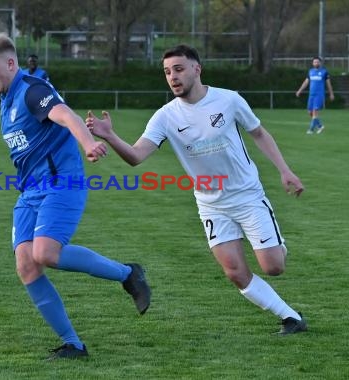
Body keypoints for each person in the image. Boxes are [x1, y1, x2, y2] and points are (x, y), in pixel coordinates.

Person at [86, 44, 307, 335]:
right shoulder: (166, 116)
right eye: (167, 72)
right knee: (235, 272)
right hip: (210, 203)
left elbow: (259, 133)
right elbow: (136, 156)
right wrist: (110, 136)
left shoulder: (228, 100)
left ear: (196, 69)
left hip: (247, 194)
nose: (172, 77)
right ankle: (291, 318)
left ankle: (275, 243)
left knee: (273, 267)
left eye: (178, 69)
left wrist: (284, 170)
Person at [0, 33, 151, 360]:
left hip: (61, 183)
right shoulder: (7, 99)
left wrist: (87, 143)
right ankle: (74, 344)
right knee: (26, 265)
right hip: (30, 191)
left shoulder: (32, 90)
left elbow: (66, 115)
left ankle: (128, 274)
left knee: (46, 253)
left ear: (10, 64)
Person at [295, 56, 334, 134]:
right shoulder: (310, 72)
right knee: (310, 112)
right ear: (312, 63)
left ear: (320, 63)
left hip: (319, 95)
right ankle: (320, 126)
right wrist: (299, 90)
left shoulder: (324, 72)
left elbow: (328, 84)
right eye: (315, 62)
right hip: (311, 95)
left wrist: (331, 94)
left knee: (315, 112)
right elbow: (306, 82)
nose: (316, 63)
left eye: (317, 62)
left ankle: (311, 129)